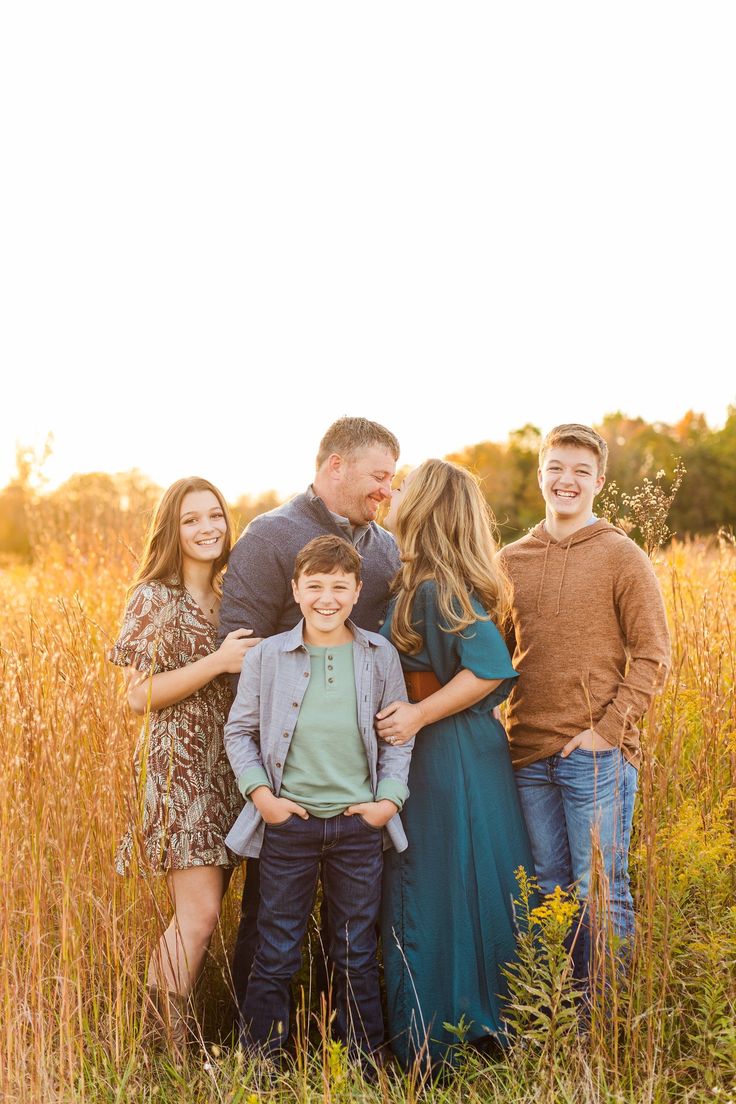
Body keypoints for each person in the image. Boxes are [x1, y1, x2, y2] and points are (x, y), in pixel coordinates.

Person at [218, 416, 401, 1006]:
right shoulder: (272, 536)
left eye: (392, 479)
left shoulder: (386, 547)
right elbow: (238, 648)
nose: (386, 491)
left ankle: (340, 1047)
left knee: (353, 938)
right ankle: (256, 1051)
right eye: (378, 476)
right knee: (269, 927)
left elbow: (383, 655)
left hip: (356, 785)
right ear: (335, 466)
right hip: (282, 783)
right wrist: (263, 787)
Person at [224, 535, 413, 1062]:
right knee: (277, 948)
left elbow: (399, 736)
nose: (326, 598)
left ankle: (362, 1065)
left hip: (359, 826)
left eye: (339, 587)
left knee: (354, 950)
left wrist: (388, 802)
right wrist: (263, 798)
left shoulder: (378, 655)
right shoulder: (269, 656)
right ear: (296, 589)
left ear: (357, 592)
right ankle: (259, 1064)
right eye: (314, 586)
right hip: (290, 822)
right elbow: (239, 731)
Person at [375, 459, 536, 1070]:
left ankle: (442, 1038)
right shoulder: (429, 580)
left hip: (446, 754)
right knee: (466, 883)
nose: (394, 498)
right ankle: (479, 1029)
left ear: (423, 508)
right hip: (465, 750)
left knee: (437, 885)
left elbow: (489, 668)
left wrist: (417, 717)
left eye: (405, 491)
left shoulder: (436, 586)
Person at [498, 423, 671, 983]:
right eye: (556, 468)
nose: (565, 481)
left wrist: (608, 729)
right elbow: (495, 660)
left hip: (595, 756)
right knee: (549, 888)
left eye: (579, 471)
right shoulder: (510, 560)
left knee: (600, 887)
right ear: (540, 474)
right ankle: (564, 1015)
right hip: (525, 754)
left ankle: (606, 1026)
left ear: (599, 480)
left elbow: (653, 655)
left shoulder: (622, 556)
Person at [109, 477, 252, 1052]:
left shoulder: (230, 594)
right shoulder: (154, 597)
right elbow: (136, 696)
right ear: (172, 529)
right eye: (191, 519)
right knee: (199, 916)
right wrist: (219, 661)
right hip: (182, 771)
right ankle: (163, 1051)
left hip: (234, 771)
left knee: (213, 917)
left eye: (214, 515)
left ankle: (175, 1046)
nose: (207, 528)